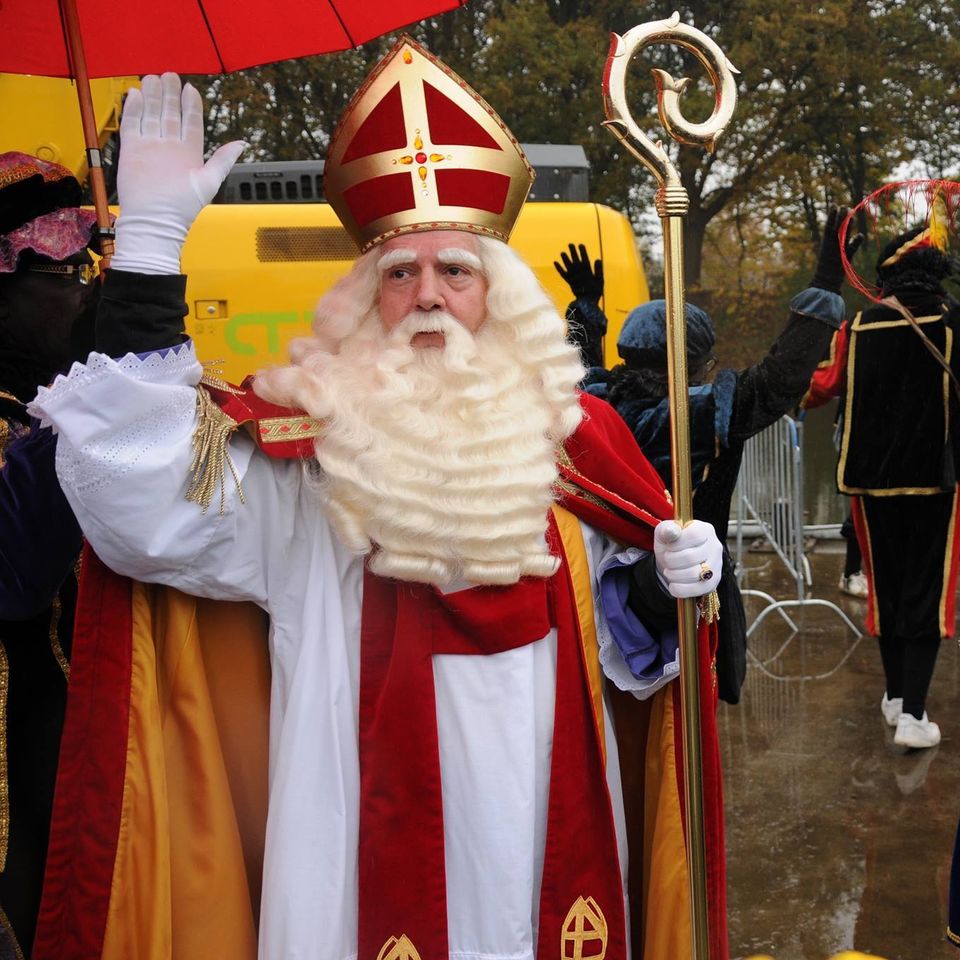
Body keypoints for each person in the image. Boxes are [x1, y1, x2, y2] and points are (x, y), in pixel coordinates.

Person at [30, 44, 730, 960]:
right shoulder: (301, 452)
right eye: (400, 274)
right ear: (365, 300)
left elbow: (628, 653)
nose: (428, 297)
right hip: (352, 842)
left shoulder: (576, 435)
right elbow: (141, 502)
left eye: (455, 272)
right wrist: (151, 262)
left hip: (549, 822)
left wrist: (671, 587)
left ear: (501, 298)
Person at [557, 207, 860, 704]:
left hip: (602, 592)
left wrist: (586, 307)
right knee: (686, 730)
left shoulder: (594, 403)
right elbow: (782, 378)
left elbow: (580, 365)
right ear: (698, 363)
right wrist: (827, 279)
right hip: (685, 594)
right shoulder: (700, 415)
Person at [804, 218, 960, 749]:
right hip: (938, 483)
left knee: (887, 593)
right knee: (928, 597)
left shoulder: (859, 325)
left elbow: (816, 388)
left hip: (868, 483)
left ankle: (896, 699)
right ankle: (915, 714)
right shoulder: (952, 321)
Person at [0, 151, 102, 957]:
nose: (84, 292)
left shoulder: (44, 400)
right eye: (64, 276)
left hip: (63, 721)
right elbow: (19, 579)